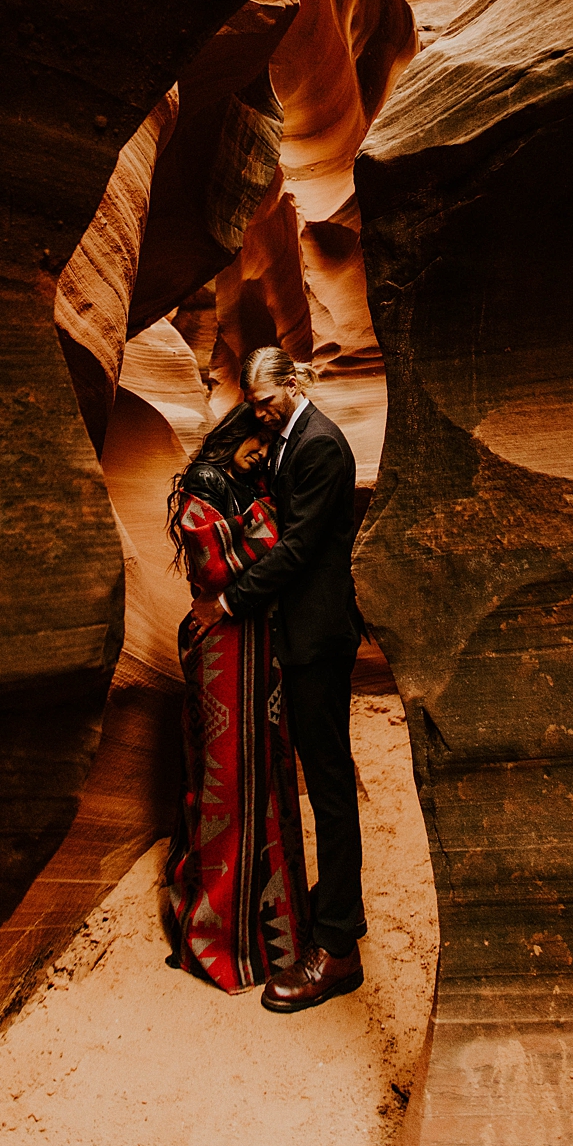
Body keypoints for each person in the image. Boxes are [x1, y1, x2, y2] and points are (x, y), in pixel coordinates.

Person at [190, 346, 366, 1013]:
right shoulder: (290, 439)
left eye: (268, 400)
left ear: (295, 382)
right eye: (255, 403)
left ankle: (338, 948)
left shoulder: (320, 445)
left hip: (318, 639)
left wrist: (230, 601)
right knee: (325, 777)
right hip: (305, 634)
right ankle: (338, 911)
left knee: (329, 782)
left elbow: (296, 546)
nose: (261, 412)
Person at [164, 403, 310, 993]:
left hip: (260, 651)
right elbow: (216, 561)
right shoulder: (204, 480)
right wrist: (270, 528)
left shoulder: (254, 482)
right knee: (225, 779)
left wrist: (263, 526)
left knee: (266, 774)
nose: (261, 447)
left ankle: (272, 936)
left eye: (269, 438)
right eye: (256, 436)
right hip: (223, 650)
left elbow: (267, 550)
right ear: (234, 431)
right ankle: (219, 936)